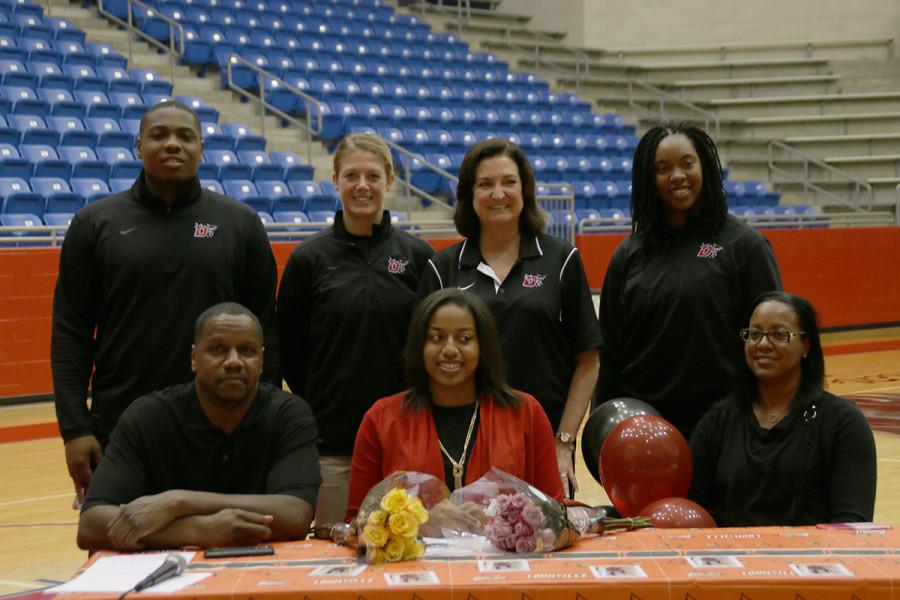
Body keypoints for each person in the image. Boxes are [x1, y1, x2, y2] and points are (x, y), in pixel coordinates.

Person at [52, 100, 280, 507]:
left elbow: (266, 330)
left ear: (202, 148)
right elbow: (71, 331)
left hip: (225, 426)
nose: (172, 144)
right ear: (138, 146)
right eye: (159, 135)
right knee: (118, 552)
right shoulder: (94, 223)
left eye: (184, 136)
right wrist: (74, 429)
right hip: (120, 427)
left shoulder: (240, 224)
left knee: (227, 557)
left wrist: (264, 419)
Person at [419, 138, 600, 497]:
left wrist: (563, 443)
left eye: (508, 182)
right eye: (485, 184)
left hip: (542, 445)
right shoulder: (442, 269)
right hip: (459, 447)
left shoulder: (561, 259)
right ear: (469, 195)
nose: (498, 193)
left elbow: (588, 360)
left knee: (543, 546)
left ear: (525, 190)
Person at [277, 133, 435, 525]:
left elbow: (431, 345)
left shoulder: (418, 257)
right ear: (335, 181)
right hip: (332, 446)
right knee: (337, 557)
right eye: (351, 176)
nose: (362, 186)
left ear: (390, 181)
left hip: (407, 441)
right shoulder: (308, 260)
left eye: (372, 176)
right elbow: (291, 351)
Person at [77, 303, 319, 551]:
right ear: (194, 358)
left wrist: (178, 502)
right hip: (163, 579)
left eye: (247, 351)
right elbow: (91, 525)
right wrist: (199, 530)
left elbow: (295, 515)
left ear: (261, 360)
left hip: (259, 573)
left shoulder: (289, 415)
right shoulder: (148, 417)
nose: (233, 361)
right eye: (218, 350)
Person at [596, 121, 782, 438]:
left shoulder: (745, 247)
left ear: (705, 168)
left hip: (725, 429)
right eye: (663, 168)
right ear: (648, 179)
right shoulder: (628, 256)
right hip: (646, 433)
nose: (677, 176)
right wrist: (606, 426)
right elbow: (611, 354)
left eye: (687, 164)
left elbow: (773, 345)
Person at [346, 289, 563, 521]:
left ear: (483, 348)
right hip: (412, 557)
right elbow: (356, 521)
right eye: (436, 338)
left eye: (464, 339)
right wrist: (420, 523)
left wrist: (501, 522)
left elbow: (556, 516)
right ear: (419, 346)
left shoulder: (525, 413)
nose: (449, 350)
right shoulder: (381, 418)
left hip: (503, 557)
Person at [688, 292, 877, 526]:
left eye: (779, 334)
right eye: (754, 334)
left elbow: (853, 523)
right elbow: (692, 509)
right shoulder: (717, 422)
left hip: (815, 560)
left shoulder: (843, 422)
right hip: (733, 558)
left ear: (806, 345)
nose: (763, 344)